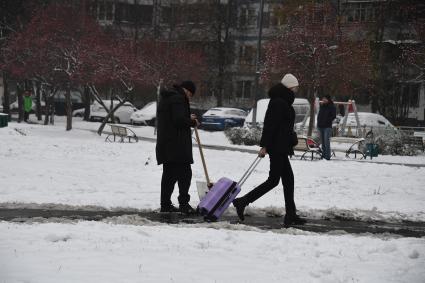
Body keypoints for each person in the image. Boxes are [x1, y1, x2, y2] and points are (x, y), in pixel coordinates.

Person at [232, 74, 306, 227]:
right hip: (276, 147)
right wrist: (264, 146)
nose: (297, 89)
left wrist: (291, 137)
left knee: (288, 180)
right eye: (295, 87)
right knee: (274, 180)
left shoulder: (283, 100)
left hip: (281, 146)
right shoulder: (278, 102)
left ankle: (291, 214)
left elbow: (284, 125)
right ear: (290, 87)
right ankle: (242, 201)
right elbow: (270, 125)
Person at [156, 81, 199, 214]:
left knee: (169, 176)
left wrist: (187, 117)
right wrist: (192, 121)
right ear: (186, 91)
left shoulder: (169, 97)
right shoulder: (178, 99)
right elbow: (178, 120)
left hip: (167, 144)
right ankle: (184, 204)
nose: (189, 98)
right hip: (177, 146)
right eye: (190, 95)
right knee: (185, 174)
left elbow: (173, 117)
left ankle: (165, 204)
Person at [317, 95, 336, 160]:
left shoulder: (332, 106)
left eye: (325, 99)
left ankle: (327, 156)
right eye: (323, 98)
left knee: (326, 142)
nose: (324, 100)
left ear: (328, 99)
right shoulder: (322, 106)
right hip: (320, 126)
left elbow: (333, 116)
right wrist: (318, 122)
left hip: (327, 127)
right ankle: (323, 155)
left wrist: (327, 120)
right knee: (323, 143)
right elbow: (320, 115)